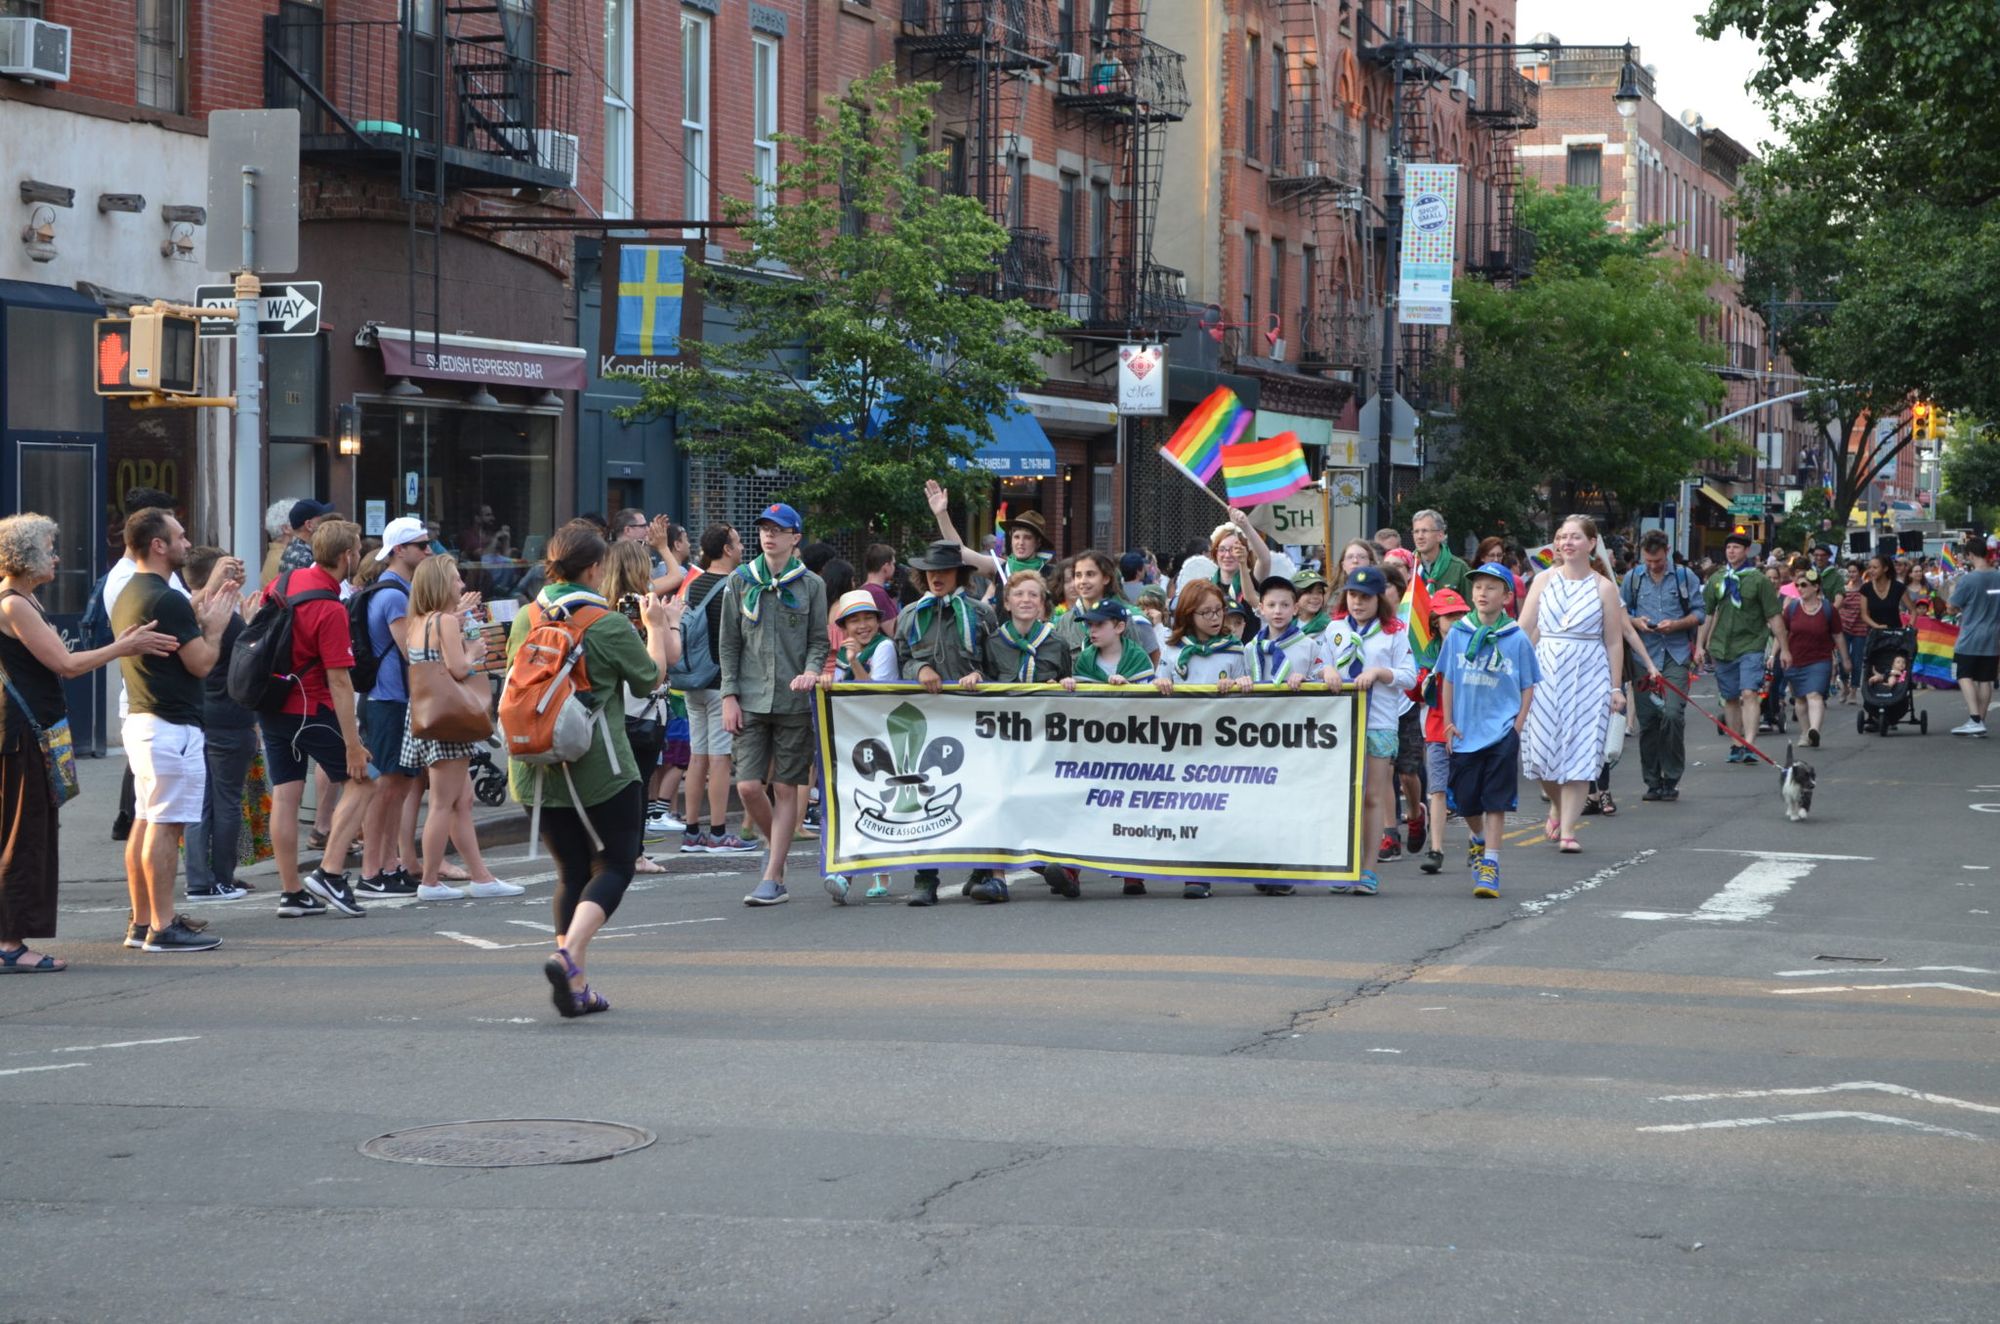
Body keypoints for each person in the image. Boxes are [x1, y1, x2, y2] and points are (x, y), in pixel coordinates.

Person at [509, 523, 678, 1018]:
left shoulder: (525, 616)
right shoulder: (605, 624)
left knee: (571, 872)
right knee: (616, 864)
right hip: (599, 769)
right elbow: (650, 679)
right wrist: (656, 626)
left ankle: (577, 982)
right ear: (593, 568)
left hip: (533, 766)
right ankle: (567, 956)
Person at [1, 514, 179, 971]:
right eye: (48, 547)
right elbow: (66, 664)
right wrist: (124, 646)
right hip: (21, 734)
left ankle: (11, 941)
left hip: (29, 730)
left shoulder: (23, 600)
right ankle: (10, 946)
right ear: (25, 556)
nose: (57, 556)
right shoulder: (13, 604)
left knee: (29, 834)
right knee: (23, 838)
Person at [111, 507, 240, 952]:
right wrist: (217, 629)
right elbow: (202, 662)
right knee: (165, 826)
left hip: (145, 720)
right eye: (180, 537)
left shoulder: (136, 589)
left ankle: (142, 921)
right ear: (158, 545)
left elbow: (178, 618)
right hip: (171, 725)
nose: (188, 544)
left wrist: (202, 601)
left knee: (146, 822)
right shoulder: (163, 597)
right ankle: (162, 927)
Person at [260, 520, 377, 920]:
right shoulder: (329, 607)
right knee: (364, 780)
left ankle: (292, 892)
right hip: (310, 707)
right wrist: (353, 745)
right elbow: (340, 682)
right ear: (347, 556)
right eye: (357, 549)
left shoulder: (285, 582)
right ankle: (329, 872)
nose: (358, 555)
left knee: (286, 795)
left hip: (272, 703)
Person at [720, 502, 830, 907]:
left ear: (794, 538)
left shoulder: (811, 586)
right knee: (748, 786)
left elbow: (819, 640)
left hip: (794, 700)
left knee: (786, 787)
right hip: (749, 698)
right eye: (765, 528)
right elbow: (728, 643)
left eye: (779, 529)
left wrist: (811, 670)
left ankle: (773, 875)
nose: (769, 535)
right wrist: (729, 695)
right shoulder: (739, 581)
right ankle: (777, 851)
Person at [402, 553, 526, 900]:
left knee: (462, 800)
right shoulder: (444, 621)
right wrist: (472, 652)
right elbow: (459, 669)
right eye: (456, 579)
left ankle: (481, 876)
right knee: (445, 802)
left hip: (429, 715)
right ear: (442, 584)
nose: (461, 584)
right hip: (449, 719)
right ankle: (430, 881)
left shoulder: (419, 621)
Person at [1518, 515, 1631, 853]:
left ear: (1591, 543)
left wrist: (1614, 688)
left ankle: (1568, 829)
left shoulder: (1604, 587)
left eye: (1575, 537)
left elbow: (1613, 641)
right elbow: (1523, 629)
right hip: (1545, 669)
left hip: (1589, 674)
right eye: (1562, 537)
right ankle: (1556, 804)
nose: (1567, 543)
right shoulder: (1543, 581)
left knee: (1581, 753)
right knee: (1540, 752)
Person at [897, 539, 997, 906]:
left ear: (960, 574)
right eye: (930, 571)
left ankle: (982, 872)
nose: (936, 577)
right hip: (928, 720)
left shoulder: (981, 614)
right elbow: (902, 659)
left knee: (976, 794)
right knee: (927, 797)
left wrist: (978, 676)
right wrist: (919, 668)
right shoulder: (910, 615)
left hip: (973, 718)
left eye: (943, 570)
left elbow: (995, 662)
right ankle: (926, 878)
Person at [1439, 565, 1540, 899]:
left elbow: (1528, 684)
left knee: (1495, 800)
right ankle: (1478, 837)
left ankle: (1491, 865)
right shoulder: (1458, 633)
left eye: (1491, 588)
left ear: (1507, 597)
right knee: (1466, 802)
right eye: (1478, 587)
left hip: (1500, 731)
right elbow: (1449, 678)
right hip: (1465, 732)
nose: (1482, 593)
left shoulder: (1516, 638)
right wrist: (1448, 721)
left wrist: (1518, 724)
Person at [1314, 566, 1415, 897]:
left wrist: (1380, 673)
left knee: (1372, 797)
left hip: (1379, 721)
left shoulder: (1393, 632)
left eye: (1365, 597)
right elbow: (1317, 664)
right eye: (1353, 595)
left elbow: (1409, 676)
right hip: (1341, 723)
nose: (1358, 602)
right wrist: (1326, 669)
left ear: (1378, 599)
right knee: (1343, 797)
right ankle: (1344, 866)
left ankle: (1368, 869)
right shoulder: (1334, 629)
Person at [1157, 579, 1253, 899]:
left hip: (1223, 740)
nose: (1215, 618)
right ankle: (1197, 872)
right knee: (1193, 805)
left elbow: (1251, 685)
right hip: (1185, 739)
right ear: (1188, 614)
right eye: (1206, 612)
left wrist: (1242, 683)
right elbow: (1157, 687)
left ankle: (1263, 867)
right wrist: (1162, 686)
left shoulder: (1234, 649)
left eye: (1219, 611)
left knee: (1230, 805)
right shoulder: (1173, 651)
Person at [353, 517, 429, 898]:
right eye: (421, 545)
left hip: (394, 698)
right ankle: (371, 871)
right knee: (385, 786)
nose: (428, 550)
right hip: (388, 699)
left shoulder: (401, 590)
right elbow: (411, 651)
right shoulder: (395, 595)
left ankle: (389, 864)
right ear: (400, 550)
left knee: (398, 785)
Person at [181, 547, 259, 901]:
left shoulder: (198, 611)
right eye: (229, 568)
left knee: (202, 801)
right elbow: (248, 663)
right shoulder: (221, 614)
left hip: (203, 714)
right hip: (229, 716)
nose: (237, 574)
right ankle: (221, 879)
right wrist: (252, 622)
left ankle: (200, 879)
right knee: (227, 800)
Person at [819, 590, 903, 904]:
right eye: (854, 620)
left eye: (868, 618)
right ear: (844, 626)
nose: (863, 625)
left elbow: (874, 693)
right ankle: (849, 872)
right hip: (853, 737)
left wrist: (853, 663)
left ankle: (872, 872)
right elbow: (840, 691)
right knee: (855, 802)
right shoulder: (843, 652)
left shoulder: (884, 648)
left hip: (884, 737)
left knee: (881, 803)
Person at [678, 523, 754, 856]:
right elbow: (740, 639)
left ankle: (692, 832)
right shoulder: (732, 586)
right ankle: (720, 833)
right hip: (719, 684)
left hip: (691, 682)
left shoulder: (691, 585)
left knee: (698, 757)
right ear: (726, 549)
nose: (741, 548)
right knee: (720, 759)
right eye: (736, 542)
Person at [1694, 532, 1790, 766]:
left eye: (1736, 547)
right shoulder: (1717, 580)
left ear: (1746, 551)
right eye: (1729, 548)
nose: (1732, 551)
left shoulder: (1758, 581)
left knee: (1749, 693)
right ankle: (1736, 743)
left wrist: (1784, 649)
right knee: (1730, 698)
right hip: (1722, 647)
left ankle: (1749, 743)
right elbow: (1705, 614)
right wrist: (1699, 646)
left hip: (1751, 645)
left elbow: (1774, 616)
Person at [1622, 530, 1705, 802]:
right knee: (1648, 722)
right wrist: (1636, 622)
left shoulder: (1684, 576)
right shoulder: (1633, 578)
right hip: (1643, 656)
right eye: (1648, 561)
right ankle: (1652, 781)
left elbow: (1699, 613)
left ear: (1667, 551)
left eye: (1657, 560)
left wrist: (1677, 625)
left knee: (1672, 714)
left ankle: (1671, 776)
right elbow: (1621, 614)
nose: (1653, 565)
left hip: (1676, 655)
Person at [1414, 586, 1469, 874]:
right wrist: (1421, 682)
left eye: (1460, 614)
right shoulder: (1429, 652)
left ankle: (1478, 841)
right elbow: (1417, 694)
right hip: (1437, 729)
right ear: (1435, 620)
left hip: (1470, 728)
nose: (1455, 620)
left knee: (1470, 791)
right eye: (1448, 616)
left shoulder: (1474, 644)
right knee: (1437, 791)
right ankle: (1436, 848)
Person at [923, 479, 1055, 583]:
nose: (1020, 542)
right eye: (1016, 537)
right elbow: (960, 550)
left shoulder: (1052, 575)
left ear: (1038, 542)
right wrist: (941, 514)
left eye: (1027, 538)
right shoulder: (1000, 566)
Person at [1055, 550, 1161, 662]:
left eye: (1090, 574)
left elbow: (1147, 662)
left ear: (1106, 578)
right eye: (1078, 575)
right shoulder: (1064, 622)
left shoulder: (1129, 618)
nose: (1083, 581)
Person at [1782, 555, 1837, 748]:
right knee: (1800, 698)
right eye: (1798, 585)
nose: (1800, 589)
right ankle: (1805, 733)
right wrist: (1776, 654)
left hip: (1820, 658)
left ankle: (1815, 729)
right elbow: (1783, 632)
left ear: (1816, 587)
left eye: (1804, 585)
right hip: (1796, 658)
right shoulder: (1792, 607)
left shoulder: (1828, 609)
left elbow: (1837, 635)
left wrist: (1844, 659)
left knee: (1815, 694)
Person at [1947, 536, 1999, 736]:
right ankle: (1980, 722)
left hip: (1970, 636)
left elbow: (1951, 607)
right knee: (1985, 680)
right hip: (1993, 635)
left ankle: (1975, 719)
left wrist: (1952, 590)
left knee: (1963, 674)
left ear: (1969, 554)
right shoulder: (1998, 576)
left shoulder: (1968, 579)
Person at [1836, 562, 1869, 702]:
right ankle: (1845, 686)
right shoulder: (1843, 589)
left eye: (1854, 571)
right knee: (1842, 659)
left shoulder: (1866, 589)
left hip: (1860, 629)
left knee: (1856, 659)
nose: (1851, 574)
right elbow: (1837, 606)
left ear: (1860, 572)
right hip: (1843, 627)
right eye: (1849, 572)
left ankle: (1854, 690)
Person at [279, 499, 336, 575]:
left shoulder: (291, 549)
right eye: (322, 521)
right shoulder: (306, 559)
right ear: (309, 525)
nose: (326, 526)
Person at [1857, 553, 1907, 634]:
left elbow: (1913, 610)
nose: (1871, 570)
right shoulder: (1866, 588)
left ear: (1885, 568)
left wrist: (1909, 628)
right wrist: (1877, 626)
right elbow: (1864, 615)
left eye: (1875, 568)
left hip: (1895, 635)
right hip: (1875, 635)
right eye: (1869, 567)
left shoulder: (1898, 587)